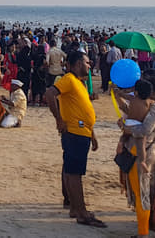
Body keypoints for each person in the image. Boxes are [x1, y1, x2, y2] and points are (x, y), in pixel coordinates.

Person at [44, 51, 106, 228]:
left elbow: (82, 109)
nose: (90, 65)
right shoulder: (69, 79)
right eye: (87, 62)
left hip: (83, 133)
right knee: (74, 173)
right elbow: (50, 94)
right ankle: (81, 211)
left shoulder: (80, 83)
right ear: (79, 63)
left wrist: (93, 135)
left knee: (72, 171)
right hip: (74, 132)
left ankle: (75, 208)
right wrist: (59, 119)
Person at [116, 78, 155, 238]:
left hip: (145, 151)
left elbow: (143, 130)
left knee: (142, 193)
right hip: (151, 148)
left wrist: (125, 127)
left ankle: (143, 233)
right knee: (147, 192)